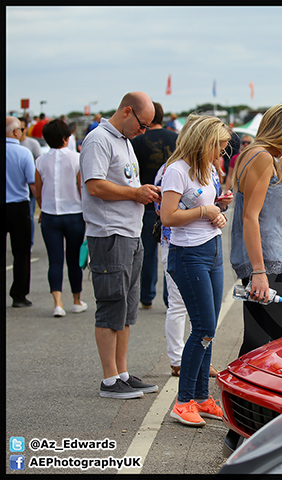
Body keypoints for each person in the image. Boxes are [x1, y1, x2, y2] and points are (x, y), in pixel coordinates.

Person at [80, 91, 160, 400]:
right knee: (111, 305)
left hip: (129, 232)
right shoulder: (99, 139)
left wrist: (142, 191)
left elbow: (125, 184)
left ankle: (122, 372)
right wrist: (134, 194)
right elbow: (95, 185)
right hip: (109, 234)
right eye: (143, 124)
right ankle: (110, 379)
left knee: (126, 308)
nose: (144, 131)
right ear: (127, 112)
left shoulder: (124, 141)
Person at [160, 115, 231, 426]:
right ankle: (184, 400)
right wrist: (206, 210)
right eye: (219, 147)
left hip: (211, 249)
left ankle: (201, 397)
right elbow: (168, 216)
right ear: (204, 143)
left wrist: (218, 212)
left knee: (209, 327)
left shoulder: (208, 170)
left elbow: (206, 208)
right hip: (189, 255)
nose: (223, 154)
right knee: (203, 328)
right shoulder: (176, 171)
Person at [229, 103, 282, 357]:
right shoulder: (262, 157)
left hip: (266, 260)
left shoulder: (255, 154)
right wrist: (259, 272)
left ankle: (243, 393)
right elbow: (250, 217)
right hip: (268, 262)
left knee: (258, 341)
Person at [34, 119, 88, 317]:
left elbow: (37, 191)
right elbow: (81, 188)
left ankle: (57, 303)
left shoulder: (40, 160)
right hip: (73, 214)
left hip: (49, 215)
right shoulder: (76, 158)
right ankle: (76, 300)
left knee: (54, 260)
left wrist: (42, 207)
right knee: (74, 260)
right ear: (67, 138)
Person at [131, 101, 179, 310]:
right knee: (171, 254)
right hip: (174, 204)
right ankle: (170, 298)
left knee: (148, 253)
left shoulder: (138, 141)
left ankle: (146, 295)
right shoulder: (176, 138)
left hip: (147, 202)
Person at [6, 116, 37, 308]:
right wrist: (41, 203)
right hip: (18, 207)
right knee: (21, 253)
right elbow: (32, 183)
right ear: (16, 132)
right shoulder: (23, 153)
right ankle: (19, 295)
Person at [19, 118, 43, 250]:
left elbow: (39, 162)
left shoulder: (31, 143)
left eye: (23, 129)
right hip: (16, 185)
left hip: (29, 184)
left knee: (29, 215)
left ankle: (30, 243)